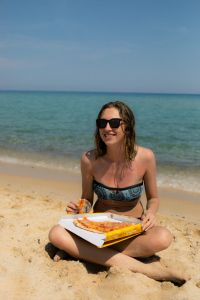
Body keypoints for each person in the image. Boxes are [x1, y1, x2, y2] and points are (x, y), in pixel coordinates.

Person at [49, 101, 186, 285]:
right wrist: (80, 208)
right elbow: (87, 199)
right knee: (55, 233)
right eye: (102, 123)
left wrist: (151, 213)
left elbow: (153, 198)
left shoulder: (145, 157)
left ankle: (83, 251)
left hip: (131, 232)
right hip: (97, 230)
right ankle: (148, 270)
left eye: (114, 123)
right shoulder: (89, 159)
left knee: (163, 237)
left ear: (127, 127)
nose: (107, 128)